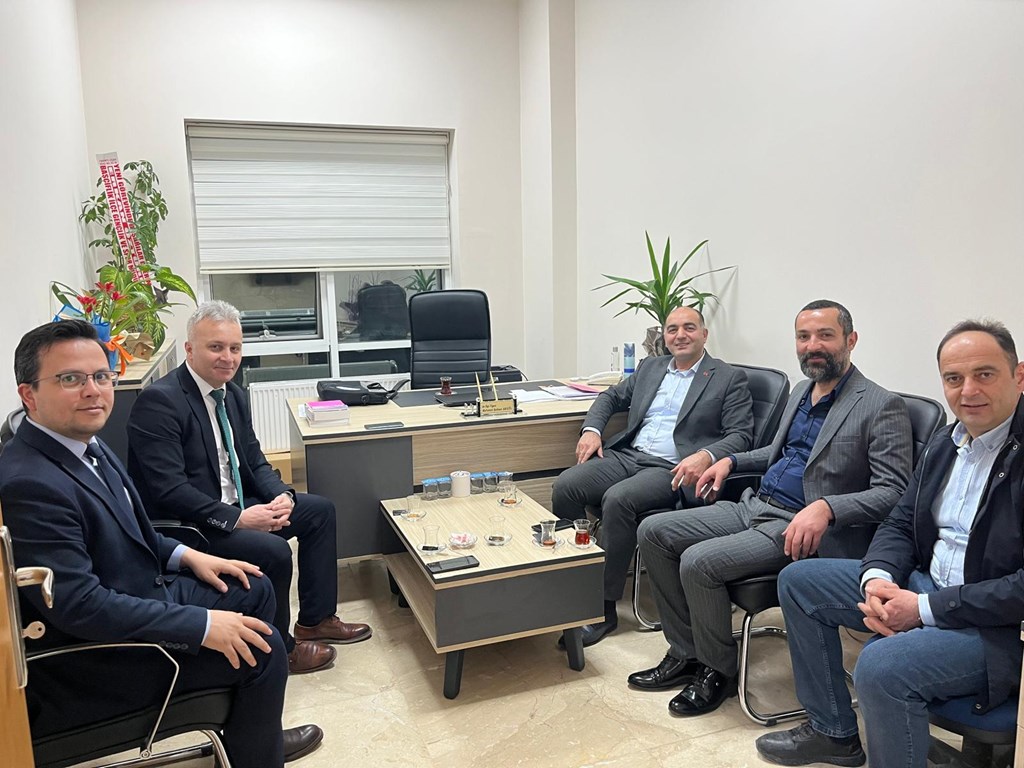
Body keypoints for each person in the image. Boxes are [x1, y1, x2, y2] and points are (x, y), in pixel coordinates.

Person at [0, 319, 323, 767]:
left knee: (255, 586)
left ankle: (253, 732)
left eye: (101, 376)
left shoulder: (85, 445)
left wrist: (189, 556)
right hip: (112, 652)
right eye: (70, 379)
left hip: (140, 588)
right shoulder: (30, 483)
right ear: (29, 394)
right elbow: (80, 606)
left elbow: (132, 527)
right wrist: (202, 625)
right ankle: (257, 751)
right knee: (262, 650)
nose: (93, 391)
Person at [755, 320, 1024, 768]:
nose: (968, 391)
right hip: (928, 585)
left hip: (996, 628)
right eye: (954, 378)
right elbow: (901, 521)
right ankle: (833, 733)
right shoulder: (947, 441)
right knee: (800, 582)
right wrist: (877, 578)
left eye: (985, 374)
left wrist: (922, 610)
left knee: (880, 667)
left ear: (1019, 376)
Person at [630, 299, 913, 717]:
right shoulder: (801, 391)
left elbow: (893, 491)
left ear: (851, 340)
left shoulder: (880, 405)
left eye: (825, 335)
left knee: (699, 562)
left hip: (799, 527)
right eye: (803, 337)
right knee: (653, 531)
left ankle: (716, 671)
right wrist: (727, 460)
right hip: (755, 504)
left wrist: (827, 508)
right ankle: (686, 651)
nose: (812, 345)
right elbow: (777, 454)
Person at [127, 300, 371, 676]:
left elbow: (254, 461)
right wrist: (238, 519)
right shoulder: (160, 402)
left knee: (318, 511)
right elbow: (169, 491)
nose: (228, 358)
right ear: (189, 349)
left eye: (235, 348)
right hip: (194, 525)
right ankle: (280, 650)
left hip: (238, 503)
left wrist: (282, 496)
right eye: (216, 347)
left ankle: (316, 620)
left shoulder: (232, 393)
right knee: (274, 552)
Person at [551, 306, 754, 646]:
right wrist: (591, 430)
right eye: (672, 329)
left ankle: (601, 608)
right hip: (628, 455)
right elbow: (610, 396)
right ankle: (575, 585)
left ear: (704, 334)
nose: (680, 335)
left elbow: (741, 435)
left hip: (671, 468)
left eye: (689, 328)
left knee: (618, 500)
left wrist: (705, 455)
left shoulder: (728, 377)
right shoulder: (652, 367)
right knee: (566, 486)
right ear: (664, 337)